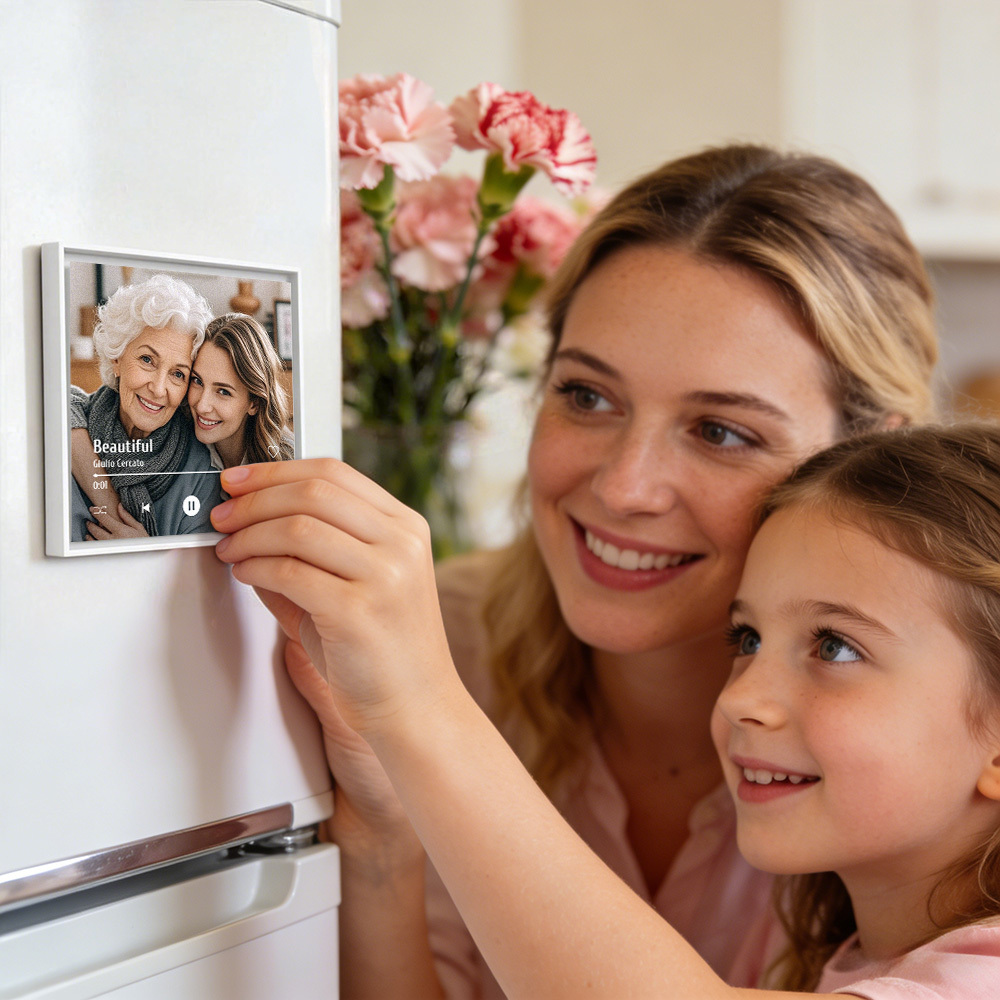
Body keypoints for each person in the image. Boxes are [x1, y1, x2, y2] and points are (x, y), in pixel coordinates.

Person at [215, 143, 939, 996]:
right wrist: (380, 835)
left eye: (722, 432)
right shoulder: (429, 642)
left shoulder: (936, 759)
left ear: (871, 457)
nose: (625, 487)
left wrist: (419, 706)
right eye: (587, 397)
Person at [214, 423, 1000, 998]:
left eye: (834, 646)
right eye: (748, 637)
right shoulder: (854, 953)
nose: (742, 699)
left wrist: (419, 701)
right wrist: (384, 828)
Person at [69, 273, 220, 540]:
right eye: (147, 359)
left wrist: (143, 551)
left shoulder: (200, 468)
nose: (159, 388)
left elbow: (196, 578)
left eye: (178, 374)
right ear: (116, 357)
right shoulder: (69, 429)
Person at [188, 312, 294, 472]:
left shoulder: (288, 464)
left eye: (223, 392)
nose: (202, 406)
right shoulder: (180, 440)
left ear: (254, 403)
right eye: (198, 381)